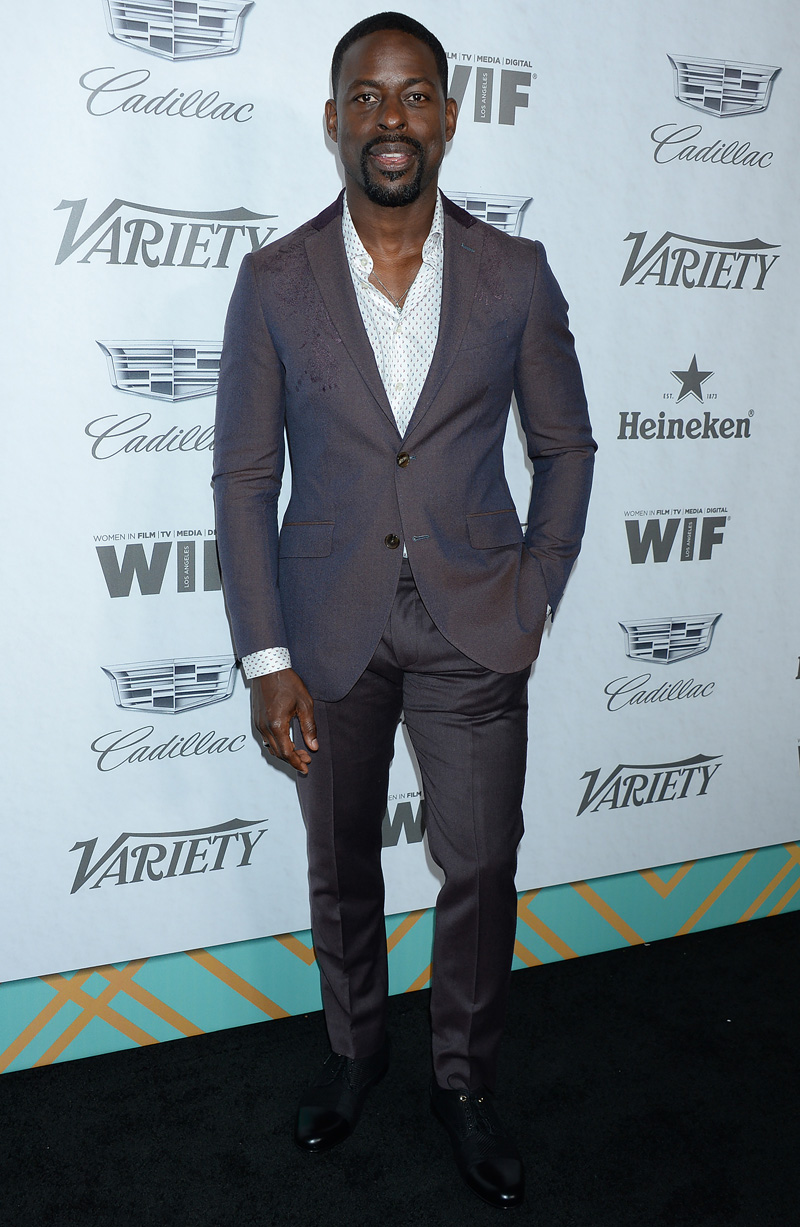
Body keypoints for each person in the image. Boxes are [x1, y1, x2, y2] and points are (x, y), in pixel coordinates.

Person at [213, 11, 595, 1209]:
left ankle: (465, 1080)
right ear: (333, 121)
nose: (391, 119)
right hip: (324, 633)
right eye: (367, 98)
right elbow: (241, 476)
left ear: (445, 115)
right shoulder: (272, 278)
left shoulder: (513, 274)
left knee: (480, 865)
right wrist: (264, 655)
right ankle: (354, 1051)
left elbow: (564, 446)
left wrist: (533, 592)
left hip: (474, 627)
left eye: (415, 95)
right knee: (341, 868)